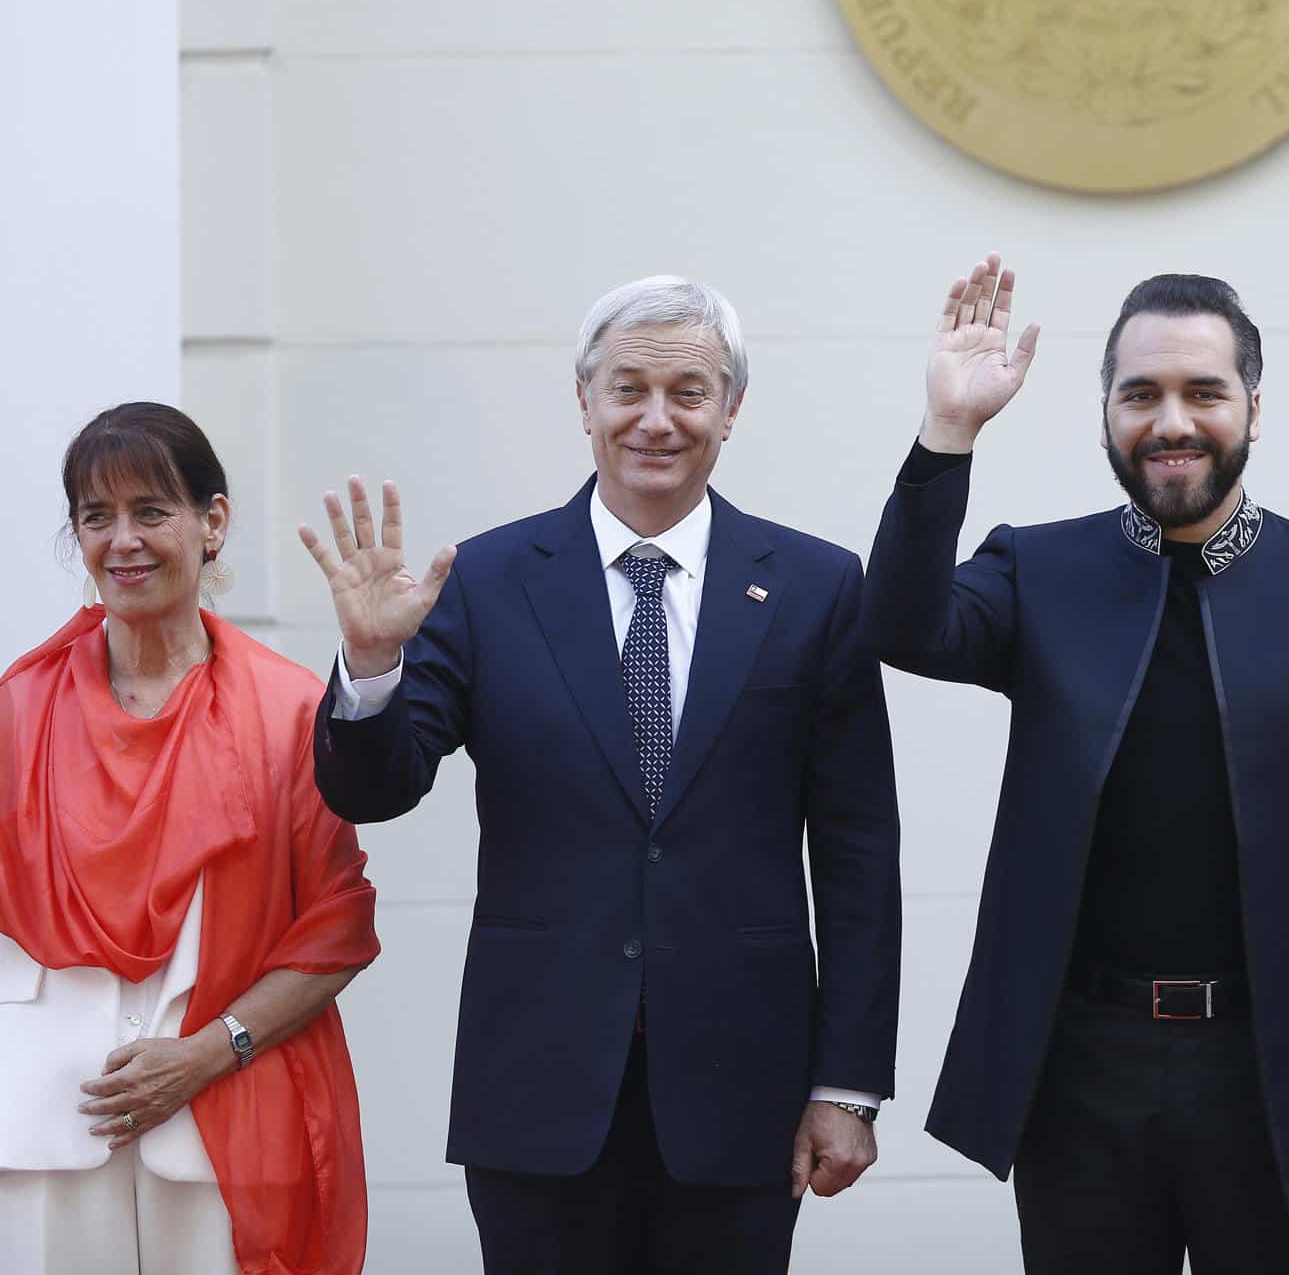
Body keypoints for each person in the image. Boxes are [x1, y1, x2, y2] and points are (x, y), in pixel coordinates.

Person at [300, 276, 902, 1274]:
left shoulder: (815, 585)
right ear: (583, 400)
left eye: (689, 391)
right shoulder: (487, 582)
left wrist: (848, 1083)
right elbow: (377, 788)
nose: (656, 420)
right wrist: (371, 668)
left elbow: (858, 852)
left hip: (739, 1088)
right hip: (537, 1086)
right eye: (628, 389)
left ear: (731, 409)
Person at [862, 257, 1289, 1272]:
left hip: (1276, 1068)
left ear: (1252, 411)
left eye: (1202, 392)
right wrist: (948, 431)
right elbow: (903, 626)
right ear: (1104, 418)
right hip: (1079, 1064)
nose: (1171, 419)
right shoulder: (1036, 570)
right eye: (1141, 394)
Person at [0, 402, 380, 1274]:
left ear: (212, 523)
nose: (123, 539)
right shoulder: (19, 711)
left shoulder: (288, 712)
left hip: (227, 1128)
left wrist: (209, 1055)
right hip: (44, 1134)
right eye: (97, 517)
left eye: (150, 511)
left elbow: (333, 930)